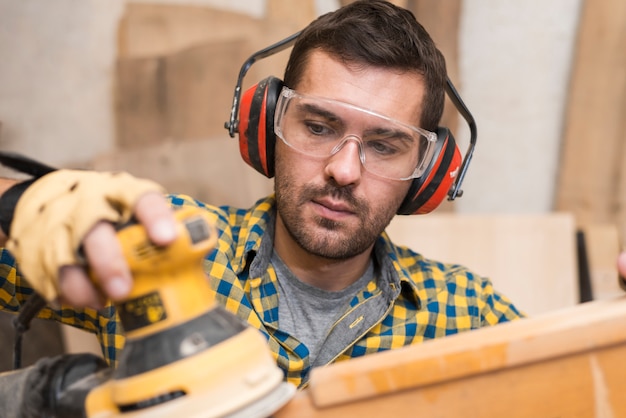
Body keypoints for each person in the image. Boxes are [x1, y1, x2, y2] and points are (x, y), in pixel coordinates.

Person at [0, 0, 610, 393]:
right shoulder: (161, 247)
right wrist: (24, 207)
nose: (344, 169)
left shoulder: (468, 314)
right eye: (318, 127)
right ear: (266, 124)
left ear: (427, 175)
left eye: (386, 144)